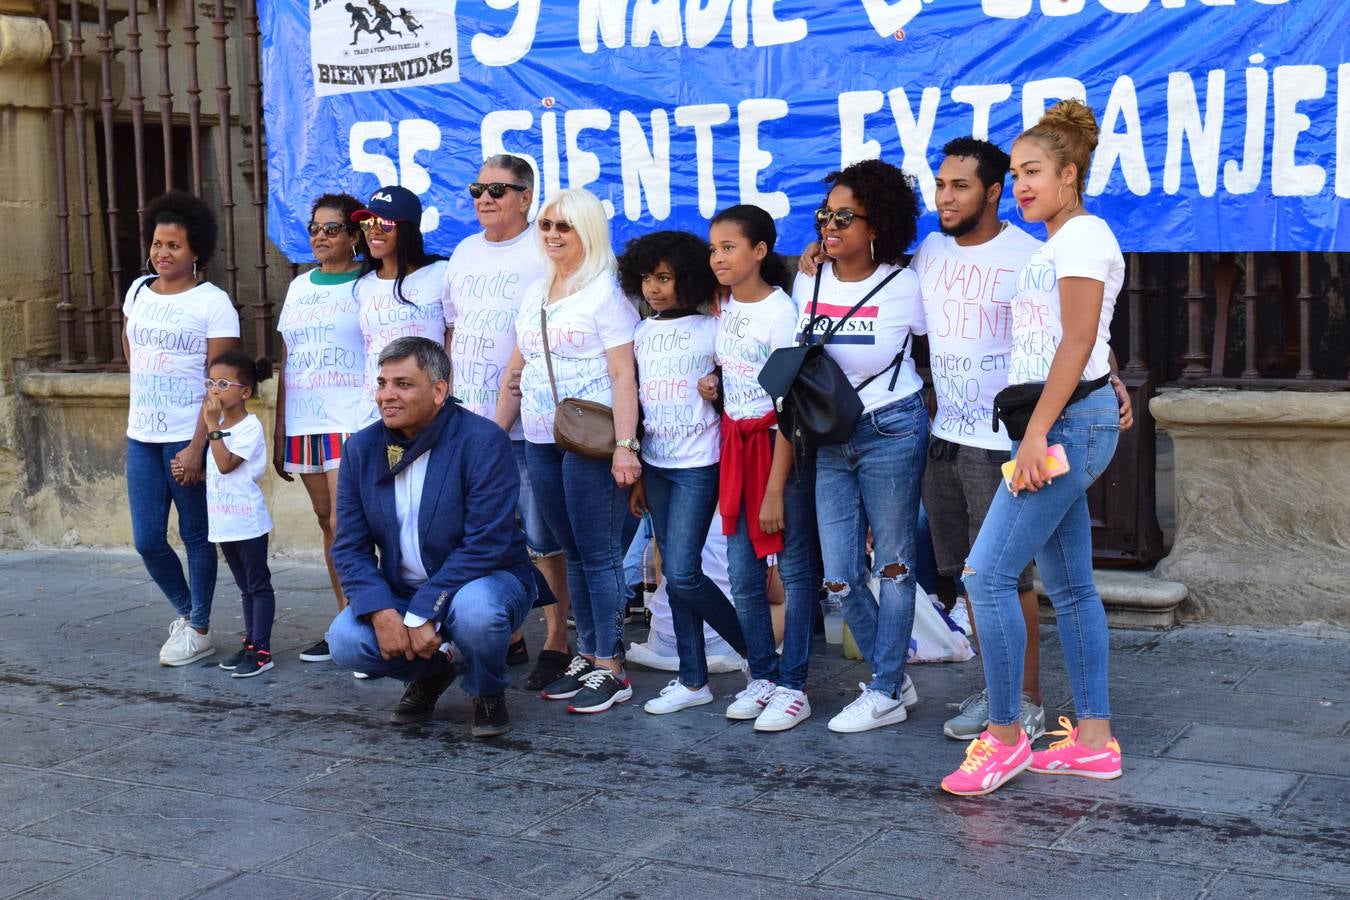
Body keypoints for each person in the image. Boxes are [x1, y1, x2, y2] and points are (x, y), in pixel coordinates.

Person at [941, 99, 1125, 796]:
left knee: (985, 576)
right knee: (1072, 587)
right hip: (1069, 414)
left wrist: (1041, 431)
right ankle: (1095, 743)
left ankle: (1006, 736)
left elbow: (1077, 339)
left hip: (1064, 423)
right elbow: (1080, 334)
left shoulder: (1081, 237)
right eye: (1015, 173)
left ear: (1069, 175)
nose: (1020, 185)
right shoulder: (1059, 243)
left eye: (1033, 172)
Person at [326, 337, 537, 738]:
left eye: (403, 384)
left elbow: (485, 544)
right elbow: (349, 547)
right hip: (404, 590)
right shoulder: (362, 448)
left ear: (439, 390)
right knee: (345, 640)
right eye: (382, 383)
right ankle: (432, 672)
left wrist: (422, 611)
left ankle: (487, 689)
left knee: (478, 612)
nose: (387, 395)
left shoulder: (482, 440)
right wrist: (382, 613)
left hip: (483, 581)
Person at [790, 159, 929, 734]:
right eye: (826, 214)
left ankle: (883, 688)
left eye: (846, 216)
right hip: (827, 435)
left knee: (893, 564)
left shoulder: (906, 282)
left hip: (892, 428)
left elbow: (941, 349)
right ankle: (890, 675)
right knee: (841, 575)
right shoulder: (809, 279)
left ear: (878, 224)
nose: (831, 224)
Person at [495, 188, 641, 714]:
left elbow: (625, 374)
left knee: (599, 552)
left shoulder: (606, 292)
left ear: (588, 233)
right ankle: (588, 653)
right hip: (539, 436)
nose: (553, 234)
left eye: (566, 226)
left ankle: (612, 665)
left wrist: (626, 446)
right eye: (547, 225)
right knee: (570, 549)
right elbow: (517, 368)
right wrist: (496, 432)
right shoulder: (536, 291)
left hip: (593, 439)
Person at [443, 155, 572, 692]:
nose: (485, 198)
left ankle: (558, 639)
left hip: (522, 428)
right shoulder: (464, 251)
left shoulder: (542, 251)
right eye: (478, 188)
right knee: (475, 535)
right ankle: (507, 634)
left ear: (526, 195)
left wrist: (501, 418)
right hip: (467, 422)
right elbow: (454, 329)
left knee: (540, 536)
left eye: (498, 189)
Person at [699, 205, 820, 732]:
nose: (718, 258)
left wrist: (774, 490)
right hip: (735, 448)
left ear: (760, 252)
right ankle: (763, 675)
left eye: (729, 247)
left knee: (792, 570)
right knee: (743, 574)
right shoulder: (725, 306)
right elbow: (741, 378)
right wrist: (716, 386)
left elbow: (788, 407)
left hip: (776, 453)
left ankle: (794, 684)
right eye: (713, 249)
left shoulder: (781, 313)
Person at [618, 231, 749, 714]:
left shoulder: (713, 326)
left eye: (665, 278)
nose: (654, 288)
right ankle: (693, 679)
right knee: (676, 576)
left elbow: (738, 382)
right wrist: (636, 476)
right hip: (656, 465)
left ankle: (757, 653)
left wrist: (717, 386)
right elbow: (636, 402)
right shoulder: (640, 332)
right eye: (648, 278)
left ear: (687, 279)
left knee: (684, 571)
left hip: (700, 464)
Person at [122, 190, 240, 667]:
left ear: (196, 251)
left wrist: (197, 446)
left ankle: (200, 627)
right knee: (147, 539)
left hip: (185, 436)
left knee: (195, 534)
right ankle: (187, 612)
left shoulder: (214, 303)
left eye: (173, 245)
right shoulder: (136, 291)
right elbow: (132, 355)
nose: (162, 253)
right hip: (141, 437)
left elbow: (221, 381)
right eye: (157, 244)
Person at [274, 192, 366, 663]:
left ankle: (371, 621)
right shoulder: (299, 287)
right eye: (314, 228)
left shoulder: (368, 282)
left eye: (332, 228)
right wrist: (279, 429)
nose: (320, 236)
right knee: (326, 522)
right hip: (306, 421)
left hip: (352, 419)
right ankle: (344, 620)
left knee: (350, 525)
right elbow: (288, 359)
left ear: (354, 235)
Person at [203, 350, 277, 678]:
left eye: (223, 383)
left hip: (248, 521)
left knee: (258, 585)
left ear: (244, 392)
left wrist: (210, 428)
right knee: (244, 586)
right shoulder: (218, 426)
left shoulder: (249, 427)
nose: (214, 390)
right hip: (224, 522)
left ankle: (262, 650)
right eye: (210, 383)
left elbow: (225, 463)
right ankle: (250, 643)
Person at [353, 185, 449, 430]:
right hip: (374, 412)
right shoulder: (363, 285)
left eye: (385, 223)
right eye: (367, 223)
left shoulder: (440, 273)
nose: (373, 231)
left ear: (406, 230)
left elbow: (453, 338)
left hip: (427, 410)